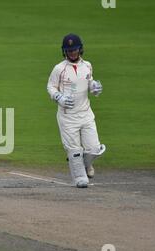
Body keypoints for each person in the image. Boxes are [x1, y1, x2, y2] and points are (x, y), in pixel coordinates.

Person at [47, 34, 106, 188]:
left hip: (86, 113)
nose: (72, 53)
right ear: (64, 52)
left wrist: (94, 87)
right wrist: (58, 97)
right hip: (68, 116)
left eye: (75, 50)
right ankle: (79, 177)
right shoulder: (59, 68)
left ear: (80, 49)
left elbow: (89, 81)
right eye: (69, 50)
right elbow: (50, 86)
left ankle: (86, 164)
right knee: (74, 150)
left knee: (94, 148)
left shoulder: (87, 65)